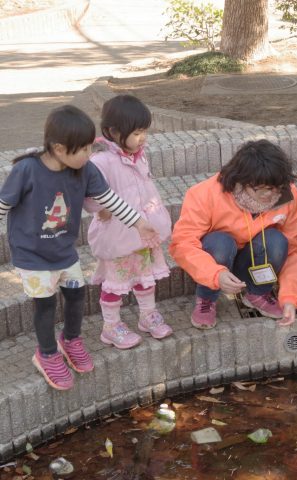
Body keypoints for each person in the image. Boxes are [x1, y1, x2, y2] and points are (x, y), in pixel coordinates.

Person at [0, 105, 160, 390]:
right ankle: (46, 353)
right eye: (83, 149)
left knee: (76, 294)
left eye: (89, 147)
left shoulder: (84, 170)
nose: (89, 154)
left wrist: (139, 223)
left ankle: (71, 340)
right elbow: (3, 204)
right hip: (32, 255)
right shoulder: (27, 170)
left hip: (64, 250)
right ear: (59, 148)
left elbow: (110, 200)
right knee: (45, 304)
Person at [169, 139, 297, 329]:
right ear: (241, 181)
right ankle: (206, 298)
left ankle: (258, 292)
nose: (270, 195)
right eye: (262, 189)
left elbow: (294, 249)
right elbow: (182, 244)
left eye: (276, 188)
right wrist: (215, 275)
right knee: (221, 243)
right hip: (217, 260)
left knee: (277, 241)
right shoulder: (205, 194)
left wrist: (291, 297)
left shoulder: (287, 194)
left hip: (253, 258)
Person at [84, 95, 173, 350]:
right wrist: (100, 209)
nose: (142, 138)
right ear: (113, 131)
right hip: (117, 234)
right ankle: (111, 326)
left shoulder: (138, 155)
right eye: (136, 133)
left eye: (144, 131)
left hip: (143, 234)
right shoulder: (101, 161)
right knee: (115, 283)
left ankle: (148, 315)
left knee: (145, 277)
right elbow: (89, 194)